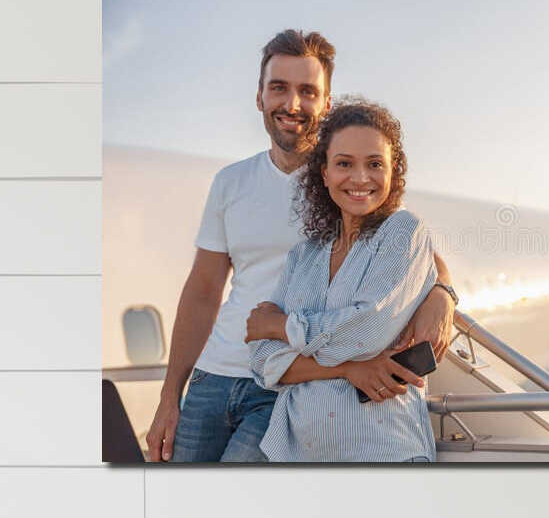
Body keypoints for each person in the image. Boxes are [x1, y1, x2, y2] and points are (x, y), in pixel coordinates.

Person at [143, 30, 457, 463]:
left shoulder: (349, 176)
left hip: (290, 386)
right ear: (259, 97)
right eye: (279, 88)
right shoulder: (231, 183)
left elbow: (412, 253)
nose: (292, 105)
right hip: (217, 374)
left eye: (307, 92)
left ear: (326, 105)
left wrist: (444, 294)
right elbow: (202, 291)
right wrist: (169, 395)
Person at [243, 99, 441, 464]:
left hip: (384, 453)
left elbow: (364, 334)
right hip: (300, 459)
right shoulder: (304, 255)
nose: (360, 178)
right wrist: (349, 369)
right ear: (324, 173)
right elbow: (260, 359)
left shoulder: (403, 232)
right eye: (345, 164)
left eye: (375, 164)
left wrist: (278, 326)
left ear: (393, 171)